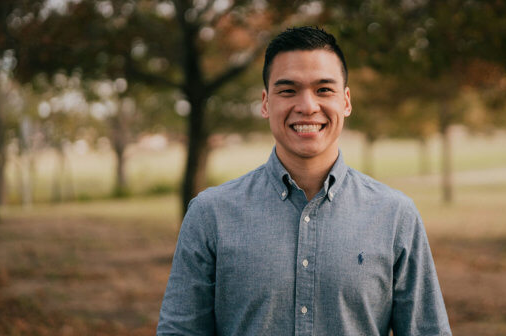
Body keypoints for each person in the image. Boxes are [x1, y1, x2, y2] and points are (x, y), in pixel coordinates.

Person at [157, 26, 451, 336]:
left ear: (346, 101)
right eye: (288, 90)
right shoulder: (210, 215)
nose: (308, 106)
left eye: (324, 89)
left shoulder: (395, 216)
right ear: (266, 102)